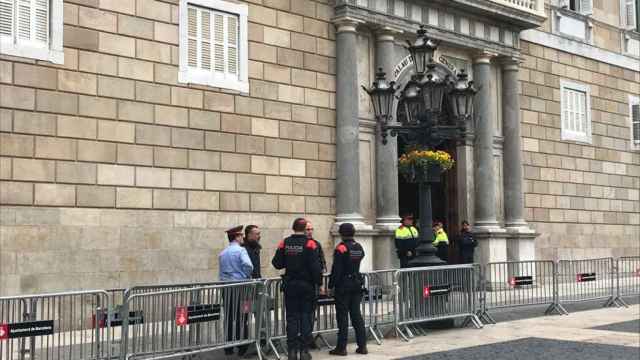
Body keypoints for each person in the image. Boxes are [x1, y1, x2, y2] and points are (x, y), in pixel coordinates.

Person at [272, 218, 322, 360]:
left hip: (290, 285)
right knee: (306, 317)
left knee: (292, 318)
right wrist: (319, 283)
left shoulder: (285, 242)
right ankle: (304, 351)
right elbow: (316, 268)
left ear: (293, 227)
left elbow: (277, 263)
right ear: (304, 228)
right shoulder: (310, 244)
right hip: (307, 286)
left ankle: (292, 351)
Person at [328, 223, 367, 356]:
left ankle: (341, 347)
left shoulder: (341, 248)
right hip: (356, 284)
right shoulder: (358, 247)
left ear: (341, 233)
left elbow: (336, 270)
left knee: (342, 317)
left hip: (343, 286)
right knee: (356, 316)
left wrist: (331, 285)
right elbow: (361, 257)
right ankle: (362, 346)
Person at [219, 225, 253, 356]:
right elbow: (248, 265)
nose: (243, 237)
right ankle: (242, 346)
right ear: (237, 237)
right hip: (241, 288)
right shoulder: (241, 251)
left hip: (226, 288)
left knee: (229, 316)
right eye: (241, 235)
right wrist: (245, 276)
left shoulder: (223, 252)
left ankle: (228, 346)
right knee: (243, 315)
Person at [304, 219, 326, 350]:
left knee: (312, 312)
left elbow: (322, 263)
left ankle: (309, 337)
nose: (310, 231)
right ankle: (303, 338)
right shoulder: (299, 243)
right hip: (304, 283)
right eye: (307, 229)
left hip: (314, 284)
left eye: (311, 229)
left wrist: (322, 284)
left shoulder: (316, 244)